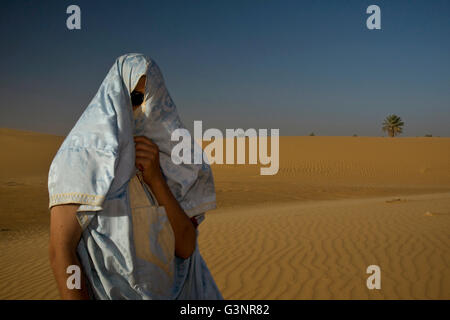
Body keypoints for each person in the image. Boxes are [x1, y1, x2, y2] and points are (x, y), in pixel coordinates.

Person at [48, 53, 222, 300]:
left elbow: (185, 247)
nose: (143, 109)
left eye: (153, 98)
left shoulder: (171, 164)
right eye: (135, 98)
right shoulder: (81, 159)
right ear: (114, 97)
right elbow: (61, 252)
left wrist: (156, 179)